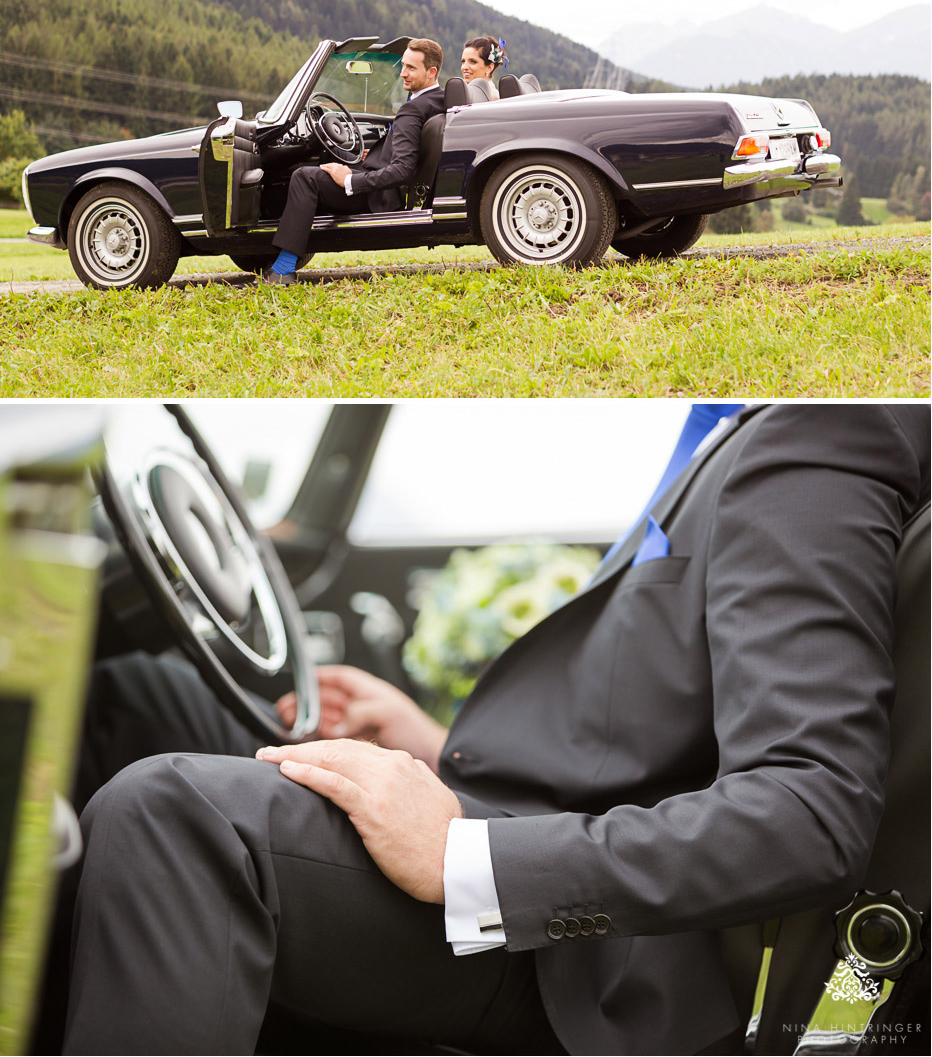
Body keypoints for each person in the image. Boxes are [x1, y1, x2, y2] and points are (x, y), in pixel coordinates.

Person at [61, 404, 929, 1056]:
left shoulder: (823, 433)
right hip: (531, 821)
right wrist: (433, 747)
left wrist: (461, 856)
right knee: (130, 694)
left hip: (591, 953)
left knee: (176, 812)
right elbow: (682, 737)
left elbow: (807, 814)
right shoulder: (762, 424)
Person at [263, 39, 445, 286]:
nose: (403, 73)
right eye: (403, 65)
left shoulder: (413, 111)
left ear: (431, 72)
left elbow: (403, 169)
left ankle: (283, 270)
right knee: (328, 164)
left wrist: (349, 179)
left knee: (305, 177)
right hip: (381, 182)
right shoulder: (438, 99)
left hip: (379, 196)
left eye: (411, 68)